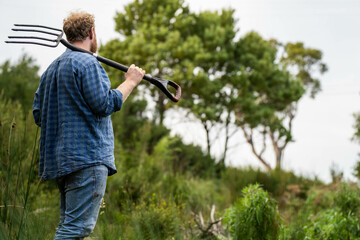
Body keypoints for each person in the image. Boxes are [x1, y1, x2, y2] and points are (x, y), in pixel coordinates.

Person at [33, 11, 145, 239]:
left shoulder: (49, 72)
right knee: (76, 228)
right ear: (92, 33)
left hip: (60, 162)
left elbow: (38, 115)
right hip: (87, 159)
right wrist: (131, 82)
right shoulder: (87, 64)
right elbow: (105, 103)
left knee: (69, 225)